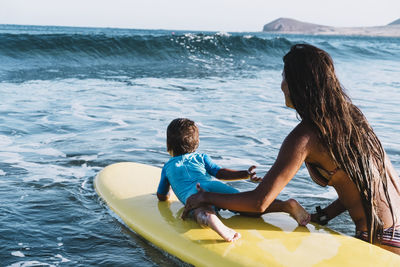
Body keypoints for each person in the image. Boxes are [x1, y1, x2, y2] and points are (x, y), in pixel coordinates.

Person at [182, 44, 400, 255]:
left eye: (284, 77)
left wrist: (207, 197)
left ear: (298, 84)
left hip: (381, 238)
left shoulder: (304, 137)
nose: (282, 85)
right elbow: (362, 182)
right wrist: (324, 216)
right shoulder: (351, 117)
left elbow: (259, 202)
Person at [157, 118, 311, 242]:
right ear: (197, 143)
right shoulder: (201, 157)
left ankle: (211, 219)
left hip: (195, 192)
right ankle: (286, 206)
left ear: (168, 144)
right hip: (215, 186)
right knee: (244, 205)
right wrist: (245, 174)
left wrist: (168, 193)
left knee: (200, 211)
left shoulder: (168, 166)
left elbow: (161, 195)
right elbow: (221, 173)